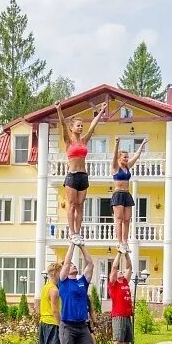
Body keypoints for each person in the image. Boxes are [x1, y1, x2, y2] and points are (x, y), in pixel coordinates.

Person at [56, 100, 107, 245]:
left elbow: (93, 125)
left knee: (80, 205)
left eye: (81, 126)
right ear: (72, 128)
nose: (80, 127)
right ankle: (71, 233)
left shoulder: (84, 141)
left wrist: (102, 111)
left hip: (83, 176)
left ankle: (78, 233)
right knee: (71, 204)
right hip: (72, 176)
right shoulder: (68, 141)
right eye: (78, 125)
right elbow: (62, 124)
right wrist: (59, 110)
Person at [56, 241, 97, 344]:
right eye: (72, 265)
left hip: (82, 325)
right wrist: (72, 244)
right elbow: (66, 263)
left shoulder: (82, 282)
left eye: (75, 265)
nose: (73, 266)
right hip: (67, 325)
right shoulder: (63, 282)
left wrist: (82, 246)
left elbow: (90, 264)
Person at [110, 136, 148, 254]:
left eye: (127, 157)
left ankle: (125, 243)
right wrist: (117, 143)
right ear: (119, 158)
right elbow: (113, 156)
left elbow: (136, 156)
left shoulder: (127, 167)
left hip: (127, 194)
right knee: (119, 220)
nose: (127, 159)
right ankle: (120, 242)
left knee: (127, 220)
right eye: (124, 157)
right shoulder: (115, 167)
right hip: (118, 194)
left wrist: (142, 144)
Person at [107, 253, 134, 344]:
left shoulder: (125, 282)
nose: (120, 272)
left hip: (127, 316)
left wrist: (126, 254)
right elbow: (113, 268)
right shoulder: (113, 285)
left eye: (121, 271)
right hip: (118, 316)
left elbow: (129, 267)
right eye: (118, 272)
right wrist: (118, 253)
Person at [38, 262, 62, 344]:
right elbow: (54, 309)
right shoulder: (53, 290)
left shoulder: (46, 287)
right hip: (51, 322)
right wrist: (60, 323)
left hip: (44, 320)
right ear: (57, 273)